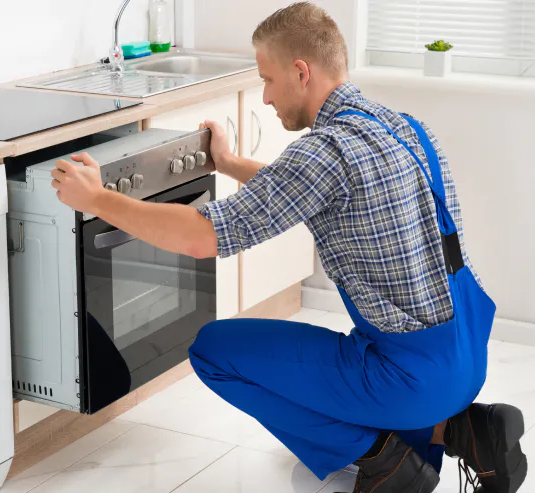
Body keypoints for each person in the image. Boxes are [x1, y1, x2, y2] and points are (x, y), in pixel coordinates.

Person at [51, 2, 527, 492]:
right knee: (349, 368)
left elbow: (200, 237)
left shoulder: (325, 151)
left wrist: (97, 199)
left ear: (301, 72)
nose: (265, 97)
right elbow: (298, 192)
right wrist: (229, 163)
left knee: (214, 352)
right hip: (467, 353)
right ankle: (465, 429)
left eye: (268, 80)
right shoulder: (400, 126)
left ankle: (385, 460)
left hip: (410, 377)